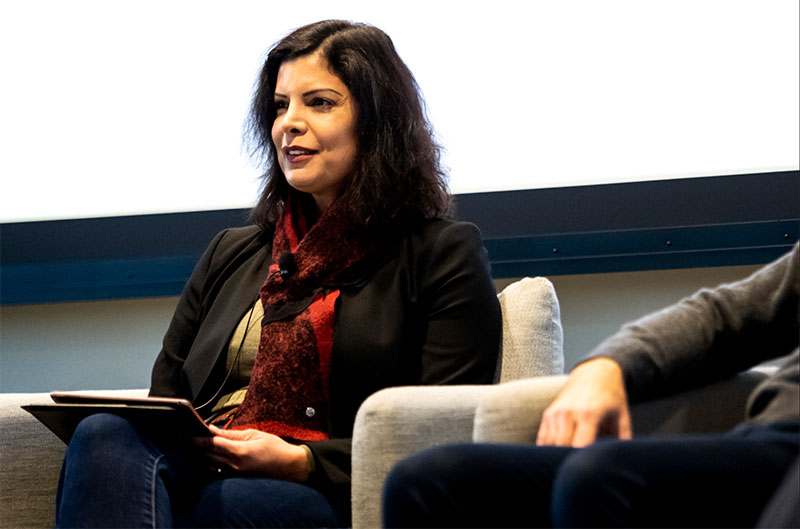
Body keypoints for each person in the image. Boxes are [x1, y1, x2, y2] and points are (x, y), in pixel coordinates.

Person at [55, 20, 502, 528]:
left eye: (320, 103)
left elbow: (444, 431)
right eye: (280, 105)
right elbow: (167, 400)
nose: (289, 122)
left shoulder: (440, 254)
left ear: (377, 122)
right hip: (197, 464)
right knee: (102, 434)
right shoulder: (233, 251)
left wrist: (299, 461)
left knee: (215, 507)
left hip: (326, 488)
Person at [384, 242, 799, 528]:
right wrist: (606, 367)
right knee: (431, 480)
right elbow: (723, 318)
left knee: (602, 476)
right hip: (766, 441)